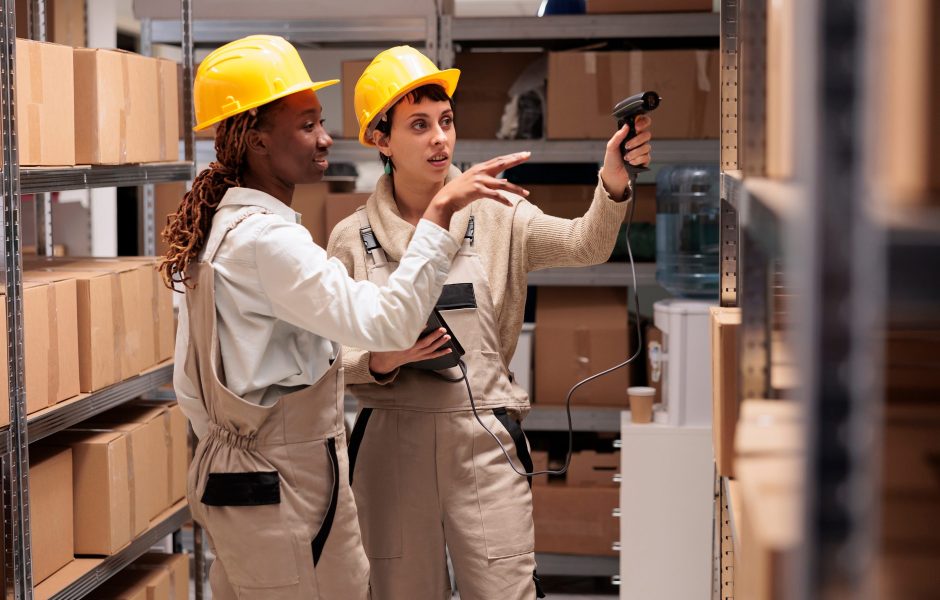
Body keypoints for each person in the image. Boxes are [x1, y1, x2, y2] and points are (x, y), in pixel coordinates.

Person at [160, 35, 531, 600]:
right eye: (307, 124)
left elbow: (190, 386)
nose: (325, 138)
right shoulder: (269, 242)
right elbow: (387, 321)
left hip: (244, 474)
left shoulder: (222, 230)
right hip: (284, 478)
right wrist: (438, 213)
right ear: (257, 140)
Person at [328, 45, 653, 600]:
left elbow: (588, 243)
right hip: (389, 448)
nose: (440, 139)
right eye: (419, 125)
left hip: (483, 442)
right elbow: (328, 359)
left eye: (446, 121)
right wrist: (385, 358)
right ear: (381, 140)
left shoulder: (497, 211)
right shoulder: (349, 239)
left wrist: (613, 180)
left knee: (505, 590)